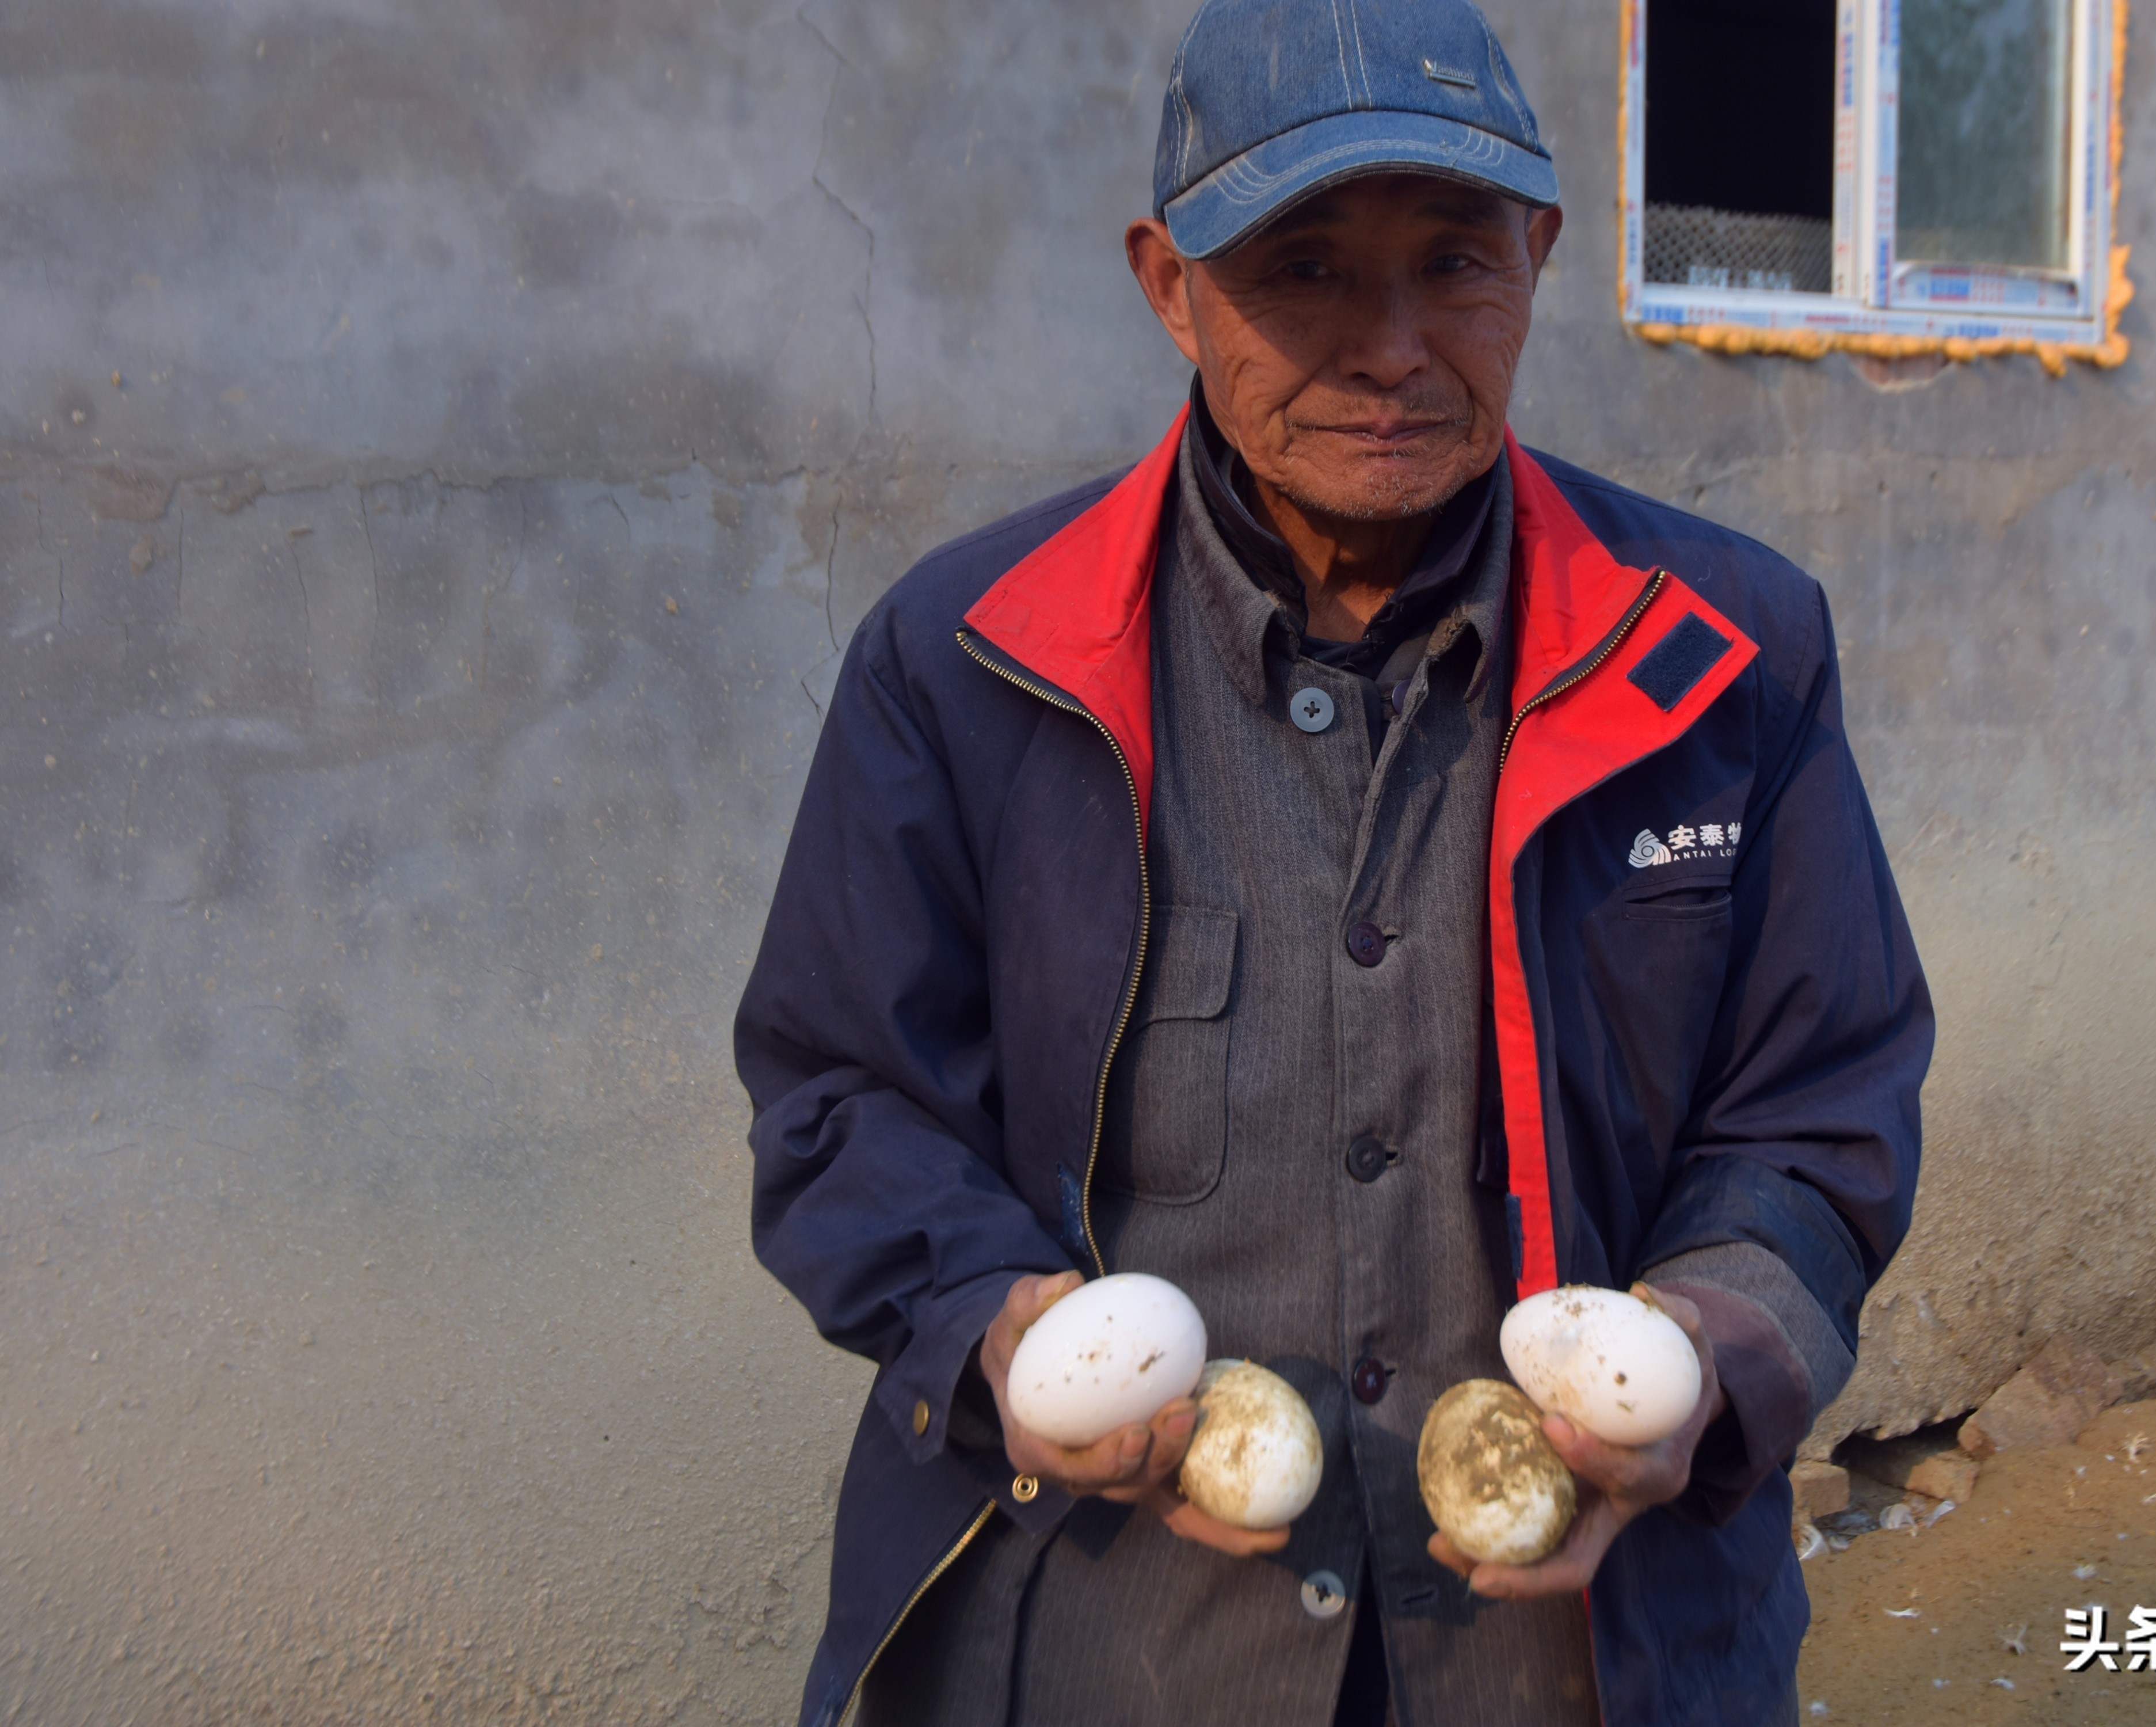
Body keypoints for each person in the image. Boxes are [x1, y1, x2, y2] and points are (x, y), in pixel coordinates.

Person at [733, 0, 1932, 1721]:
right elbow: (843, 1097)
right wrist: (1010, 1331)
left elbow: (1818, 1110)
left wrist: (1701, 1353)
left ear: (1540, 255)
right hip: (1104, 1654)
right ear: (1168, 283)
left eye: (1453, 262)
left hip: (1592, 1657)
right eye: (1301, 269)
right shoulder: (971, 661)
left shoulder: (1727, 652)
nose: (1390, 348)